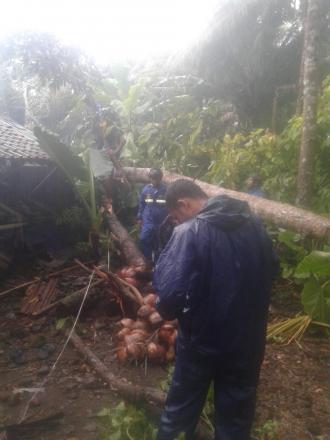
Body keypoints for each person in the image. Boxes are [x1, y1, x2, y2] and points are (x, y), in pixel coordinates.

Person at [153, 179, 278, 440]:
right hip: (247, 344)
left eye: (176, 217)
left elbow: (169, 297)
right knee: (236, 420)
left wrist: (165, 308)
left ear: (183, 204)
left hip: (201, 343)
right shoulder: (254, 224)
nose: (177, 223)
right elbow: (273, 270)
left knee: (179, 413)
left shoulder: (190, 232)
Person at [137, 168, 168, 261]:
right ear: (150, 178)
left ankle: (158, 262)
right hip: (148, 220)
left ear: (160, 178)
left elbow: (170, 205)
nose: (154, 181)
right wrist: (139, 217)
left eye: (156, 178)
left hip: (161, 222)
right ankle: (147, 260)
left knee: (159, 243)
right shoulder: (146, 190)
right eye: (152, 178)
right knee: (144, 239)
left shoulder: (165, 190)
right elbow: (142, 203)